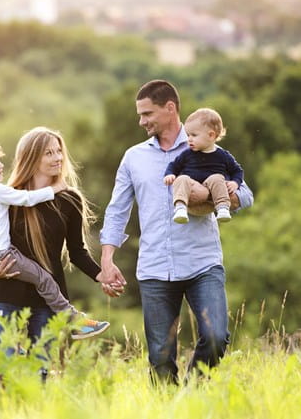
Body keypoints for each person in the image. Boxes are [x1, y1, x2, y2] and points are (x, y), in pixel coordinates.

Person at [99, 80, 254, 383]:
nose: (141, 121)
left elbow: (245, 195)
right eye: (140, 115)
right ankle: (170, 409)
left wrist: (219, 196)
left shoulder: (211, 149)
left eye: (147, 113)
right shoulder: (134, 157)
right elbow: (117, 209)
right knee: (160, 355)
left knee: (215, 337)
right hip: (155, 267)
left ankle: (191, 396)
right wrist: (107, 259)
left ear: (170, 108)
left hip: (202, 262)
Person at [0, 129, 113, 345]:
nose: (58, 158)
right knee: (7, 371)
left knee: (41, 373)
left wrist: (102, 275)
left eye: (59, 151)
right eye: (49, 153)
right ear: (32, 157)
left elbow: (77, 251)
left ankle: (75, 321)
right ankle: (74, 319)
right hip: (8, 295)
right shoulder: (9, 196)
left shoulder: (69, 199)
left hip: (48, 302)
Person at [164, 108, 244, 224]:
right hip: (192, 193)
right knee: (182, 179)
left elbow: (237, 171)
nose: (189, 139)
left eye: (194, 135)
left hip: (210, 197)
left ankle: (222, 208)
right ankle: (180, 207)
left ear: (211, 135)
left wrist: (235, 182)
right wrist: (170, 174)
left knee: (217, 178)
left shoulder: (223, 155)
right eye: (188, 135)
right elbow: (174, 165)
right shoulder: (187, 154)